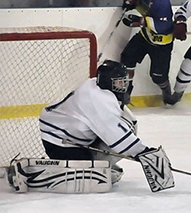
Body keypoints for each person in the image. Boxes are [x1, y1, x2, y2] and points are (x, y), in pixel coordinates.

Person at [27, 60, 174, 192]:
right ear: (108, 82)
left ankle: (91, 164)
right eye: (119, 82)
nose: (123, 86)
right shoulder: (98, 100)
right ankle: (34, 174)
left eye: (124, 82)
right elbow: (116, 133)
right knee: (96, 178)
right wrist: (143, 152)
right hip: (61, 142)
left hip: (70, 135)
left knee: (128, 125)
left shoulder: (96, 86)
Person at [120, 0, 174, 105]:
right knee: (127, 58)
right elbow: (149, 10)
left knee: (158, 77)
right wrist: (137, 4)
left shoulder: (162, 0)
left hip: (161, 43)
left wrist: (138, 22)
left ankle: (167, 91)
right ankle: (127, 91)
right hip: (145, 37)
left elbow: (162, 27)